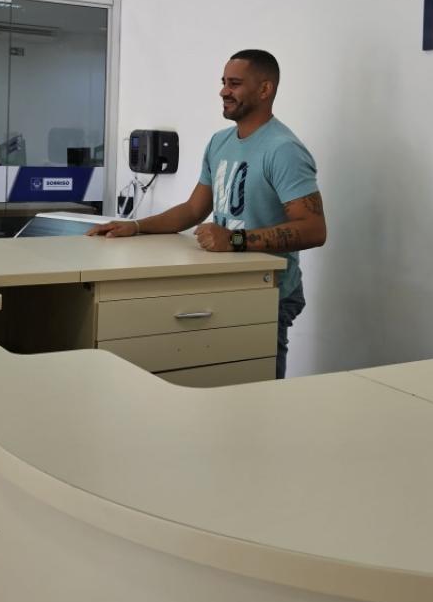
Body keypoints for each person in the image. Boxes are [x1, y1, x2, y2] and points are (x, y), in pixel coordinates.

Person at [90, 49, 325, 378]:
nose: (223, 91)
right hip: (225, 286)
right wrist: (137, 226)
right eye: (223, 82)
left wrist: (234, 240)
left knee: (259, 389)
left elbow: (314, 229)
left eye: (235, 83)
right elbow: (193, 209)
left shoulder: (283, 149)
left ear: (264, 89)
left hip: (268, 289)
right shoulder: (219, 142)